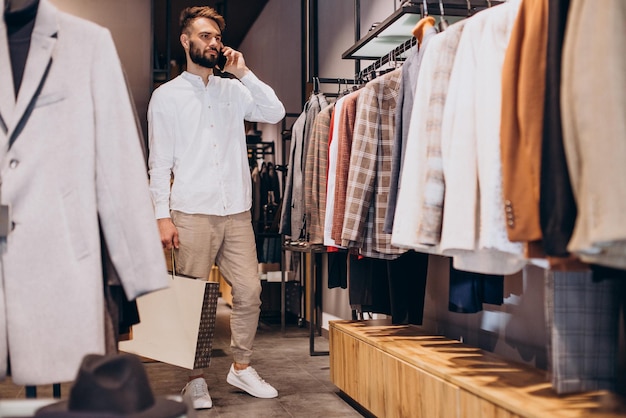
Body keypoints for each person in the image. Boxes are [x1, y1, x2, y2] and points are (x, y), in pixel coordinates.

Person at [147, 5, 285, 410]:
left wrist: (244, 73)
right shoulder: (166, 97)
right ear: (186, 41)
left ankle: (241, 366)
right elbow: (159, 163)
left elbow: (275, 111)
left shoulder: (234, 90)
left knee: (249, 290)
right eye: (204, 36)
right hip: (190, 211)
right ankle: (195, 379)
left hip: (237, 212)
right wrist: (161, 216)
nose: (213, 43)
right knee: (197, 300)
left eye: (217, 37)